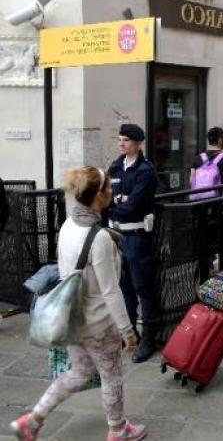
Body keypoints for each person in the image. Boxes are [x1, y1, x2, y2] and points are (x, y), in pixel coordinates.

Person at [10, 166, 147, 441]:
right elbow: (110, 291)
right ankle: (118, 429)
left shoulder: (68, 225)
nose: (112, 191)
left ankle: (33, 419)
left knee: (81, 371)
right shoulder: (100, 238)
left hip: (72, 319)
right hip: (99, 323)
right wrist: (127, 330)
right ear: (98, 195)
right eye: (108, 187)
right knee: (112, 376)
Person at [107, 124, 160, 363]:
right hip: (116, 237)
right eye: (119, 140)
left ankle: (150, 337)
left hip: (137, 237)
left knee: (143, 288)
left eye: (125, 140)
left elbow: (135, 206)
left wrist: (119, 202)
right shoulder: (115, 166)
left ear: (138, 143)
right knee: (124, 288)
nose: (121, 144)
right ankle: (130, 333)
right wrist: (118, 200)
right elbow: (105, 199)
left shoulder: (145, 171)